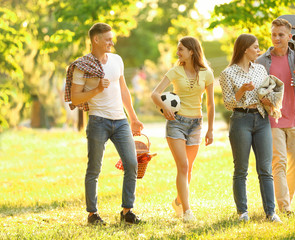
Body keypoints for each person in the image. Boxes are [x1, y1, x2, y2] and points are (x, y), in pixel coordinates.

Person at [65, 23, 144, 225]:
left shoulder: (117, 60)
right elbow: (74, 98)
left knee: (132, 163)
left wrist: (133, 118)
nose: (112, 42)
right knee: (94, 168)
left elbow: (124, 90)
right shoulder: (82, 66)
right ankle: (93, 214)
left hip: (120, 121)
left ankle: (127, 211)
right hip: (98, 121)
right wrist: (97, 89)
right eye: (108, 38)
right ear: (96, 40)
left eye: (112, 38)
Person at [219, 33, 281, 223]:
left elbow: (266, 93)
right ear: (245, 49)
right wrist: (241, 91)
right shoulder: (227, 74)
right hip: (240, 120)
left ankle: (271, 212)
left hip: (261, 119)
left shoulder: (261, 70)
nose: (258, 50)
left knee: (265, 169)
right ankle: (242, 213)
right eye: (255, 47)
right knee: (241, 169)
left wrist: (268, 100)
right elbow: (229, 104)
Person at [151, 36, 215, 222]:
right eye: (178, 49)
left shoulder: (207, 73)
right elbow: (155, 93)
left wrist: (210, 130)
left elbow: (210, 104)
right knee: (183, 166)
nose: (178, 52)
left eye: (181, 49)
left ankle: (179, 201)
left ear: (192, 51)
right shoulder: (175, 71)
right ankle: (187, 211)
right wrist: (165, 108)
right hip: (176, 123)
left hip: (196, 123)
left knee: (189, 169)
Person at [256, 18, 295, 216]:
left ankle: (284, 199)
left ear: (290, 37)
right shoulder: (262, 61)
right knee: (278, 162)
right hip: (273, 119)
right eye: (274, 34)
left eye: (281, 35)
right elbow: (257, 89)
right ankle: (284, 207)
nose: (276, 38)